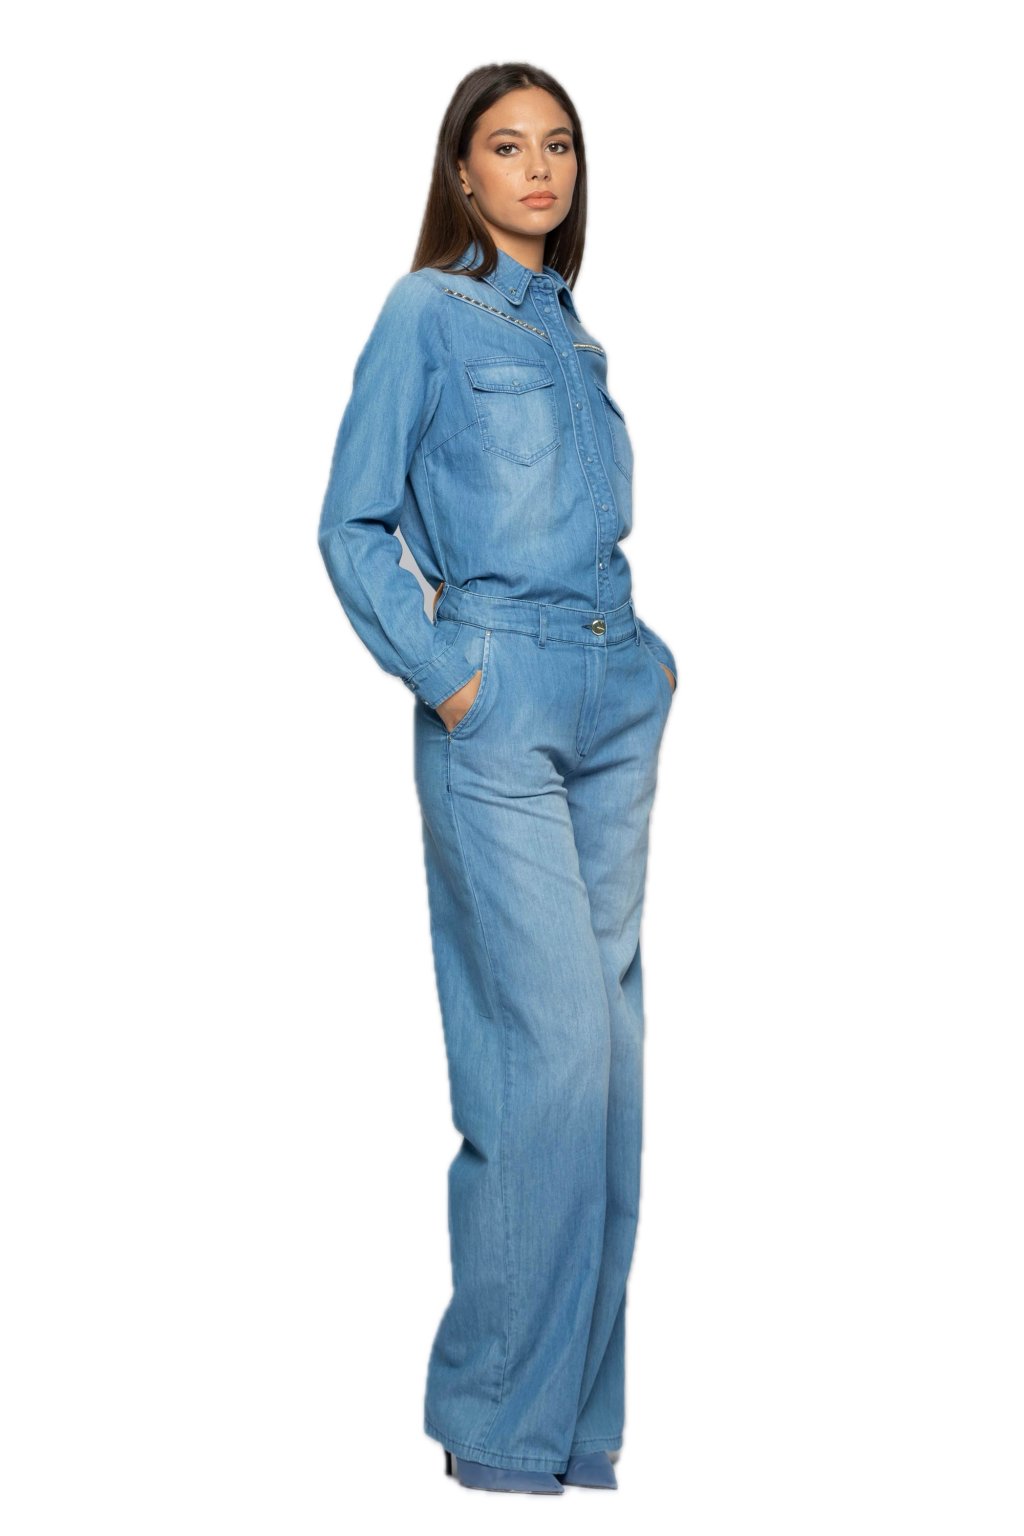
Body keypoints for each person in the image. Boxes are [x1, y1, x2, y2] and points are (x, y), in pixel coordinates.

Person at [317, 62, 677, 1495]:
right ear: (461, 174)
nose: (540, 168)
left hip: (615, 690)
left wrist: (650, 664)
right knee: (548, 1063)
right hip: (501, 700)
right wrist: (449, 675)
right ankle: (498, 1436)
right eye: (508, 146)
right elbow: (351, 523)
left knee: (611, 1079)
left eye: (561, 145)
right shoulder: (427, 313)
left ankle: (574, 1436)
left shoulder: (572, 334)